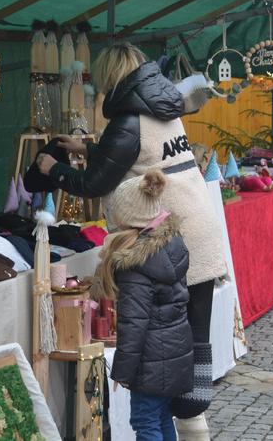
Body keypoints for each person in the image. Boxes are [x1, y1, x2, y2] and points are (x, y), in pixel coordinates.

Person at [37, 43, 226, 435]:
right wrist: (88, 148)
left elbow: (95, 183)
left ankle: (186, 426)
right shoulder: (162, 109)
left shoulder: (128, 122)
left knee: (171, 347)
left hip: (172, 237)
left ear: (109, 78)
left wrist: (53, 169)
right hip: (199, 230)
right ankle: (194, 426)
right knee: (193, 344)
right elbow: (137, 154)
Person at [93, 170, 193, 441]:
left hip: (152, 361)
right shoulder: (172, 243)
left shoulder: (135, 264)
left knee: (145, 421)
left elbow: (134, 323)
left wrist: (122, 371)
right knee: (160, 417)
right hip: (174, 353)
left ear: (124, 217)